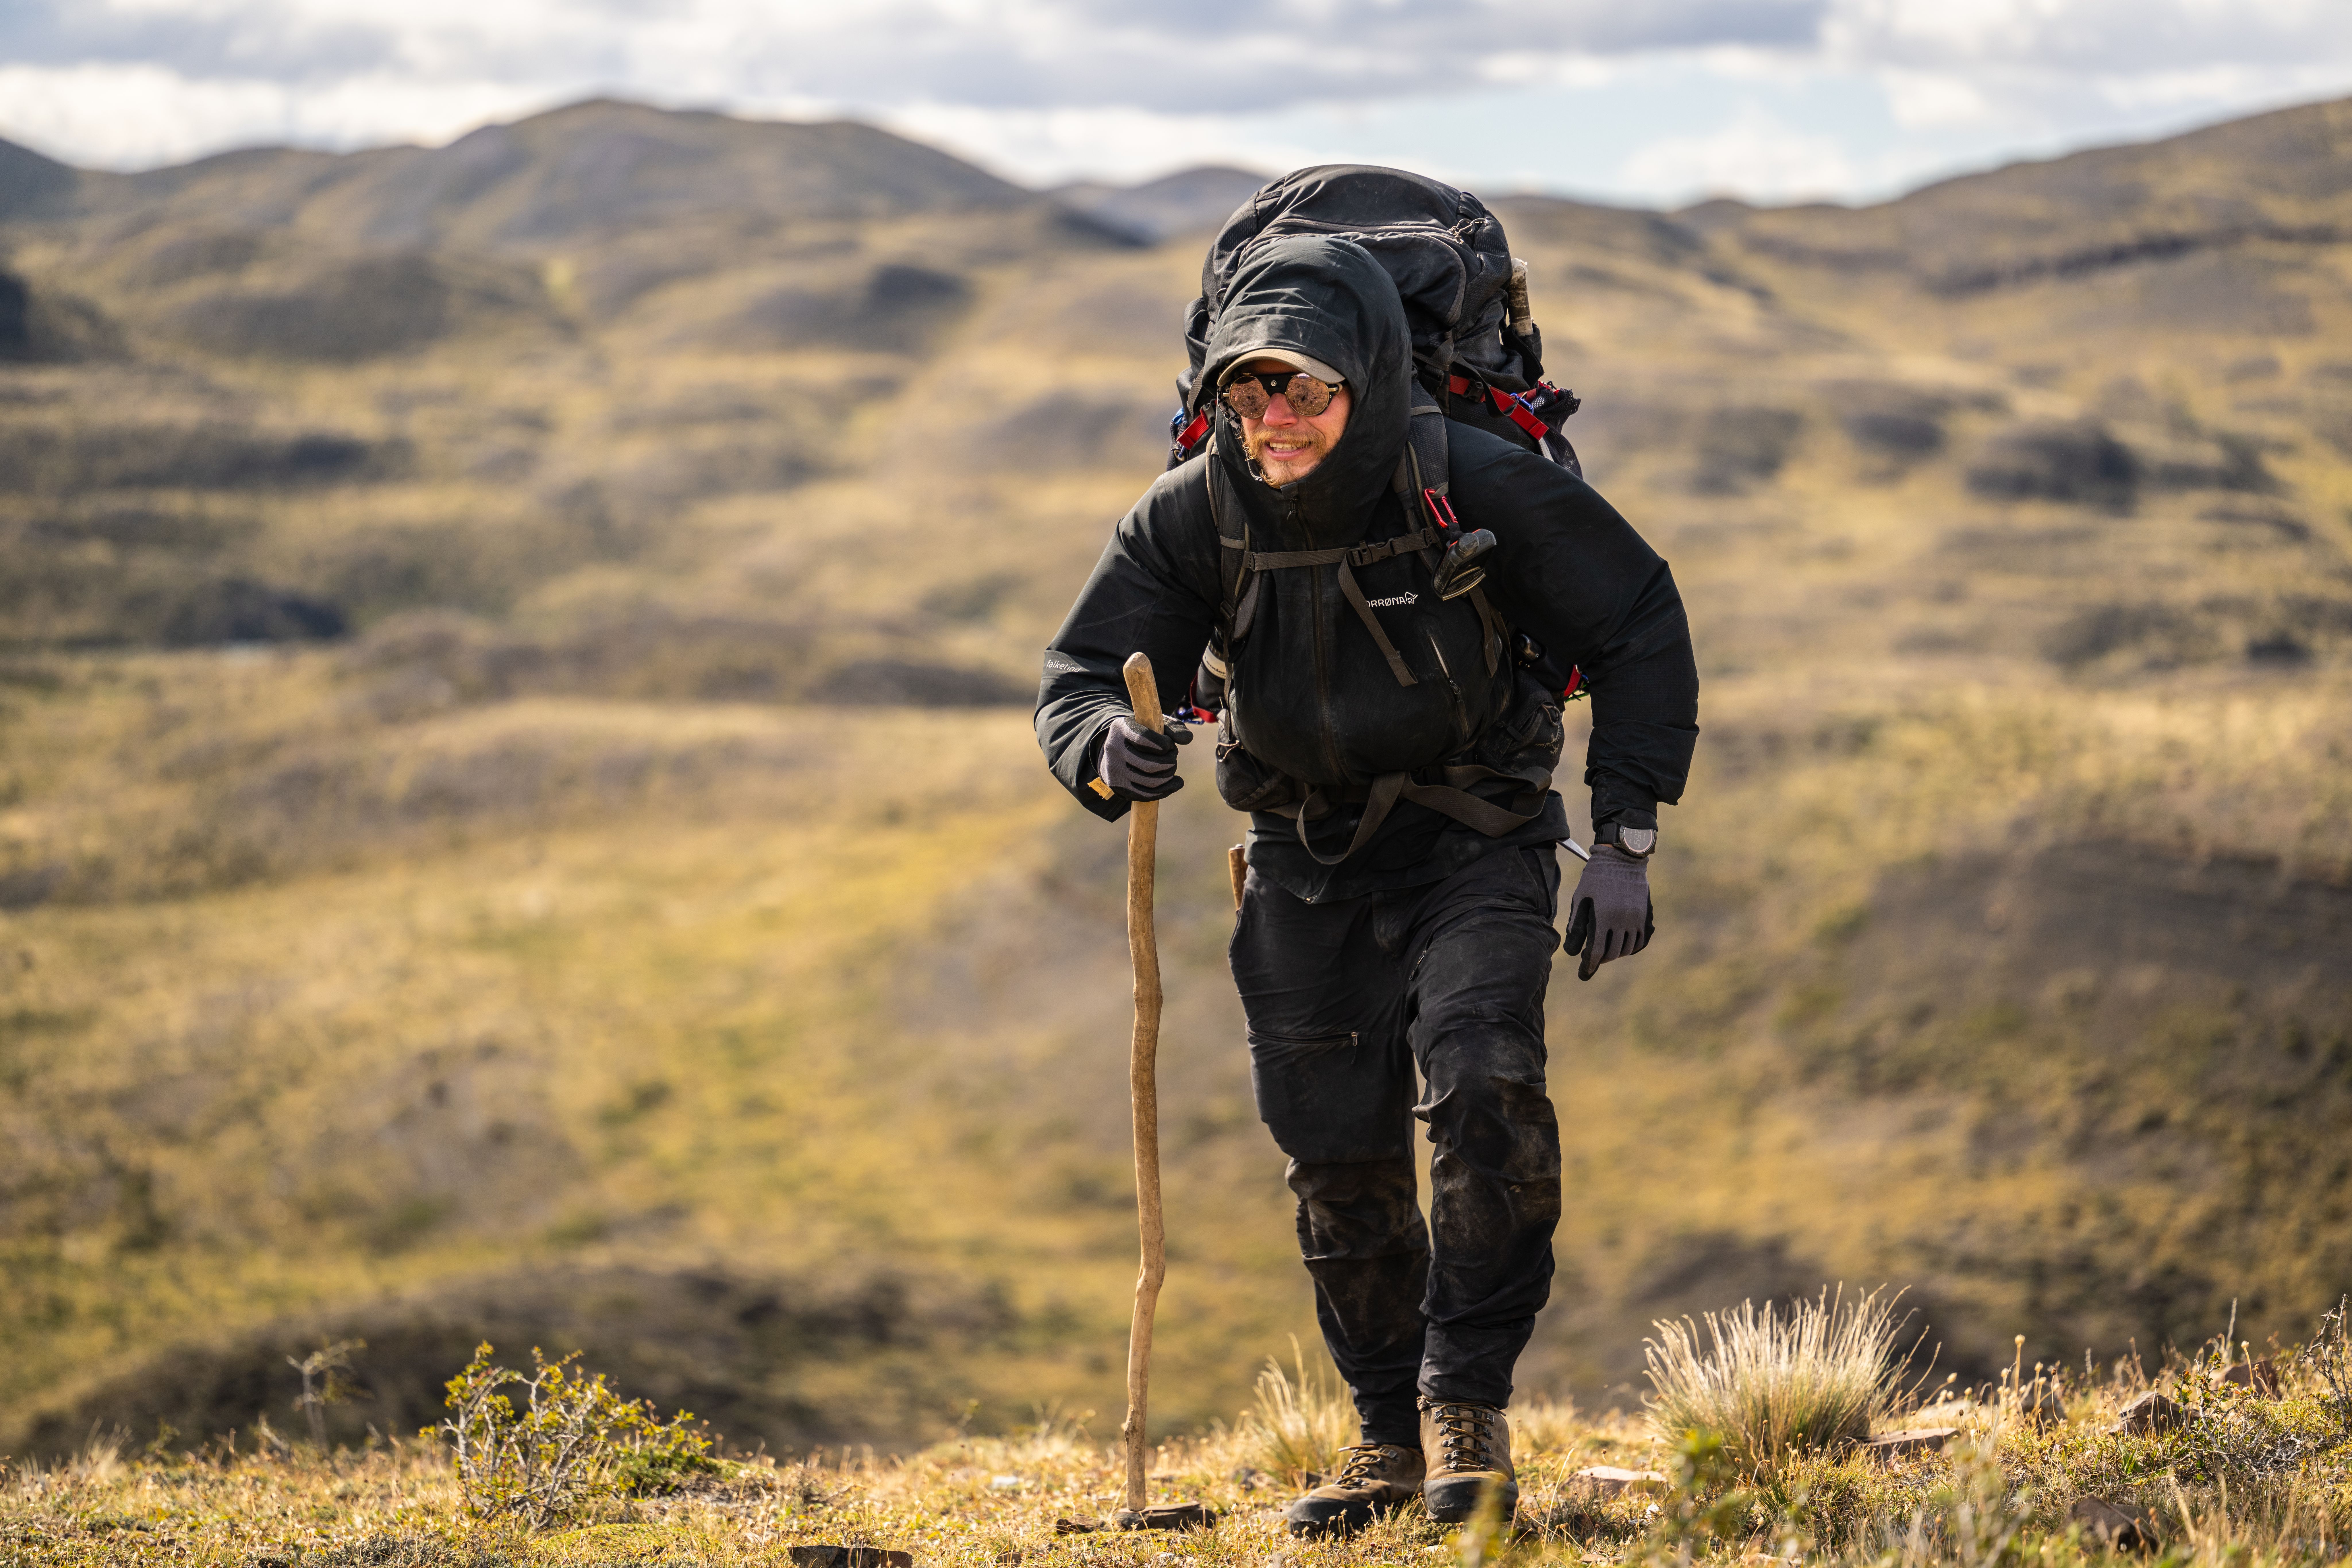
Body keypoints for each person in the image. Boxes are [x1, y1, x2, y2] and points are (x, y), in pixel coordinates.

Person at [1035, 232, 1698, 1537]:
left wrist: (1623, 839)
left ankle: (1467, 1411)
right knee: (1333, 1157)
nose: (1272, 417)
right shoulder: (1193, 511)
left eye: (1303, 388)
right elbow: (1082, 673)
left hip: (1477, 834)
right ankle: (1387, 1438)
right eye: (1246, 390)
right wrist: (1102, 745)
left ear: (1367, 381)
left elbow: (1635, 620)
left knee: (1486, 1088)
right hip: (1300, 856)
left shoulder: (1470, 478)